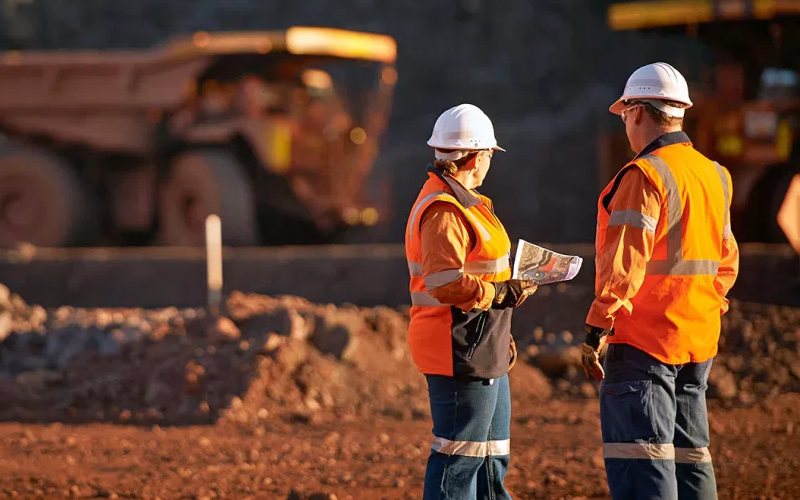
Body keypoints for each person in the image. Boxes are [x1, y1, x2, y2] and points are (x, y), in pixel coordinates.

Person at [581, 62, 740, 499]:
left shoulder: (645, 175)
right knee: (691, 459)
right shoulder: (715, 174)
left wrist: (599, 324)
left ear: (636, 112)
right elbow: (726, 262)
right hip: (697, 340)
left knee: (642, 463)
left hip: (644, 344)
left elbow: (624, 264)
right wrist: (707, 308)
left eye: (625, 116)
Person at [405, 103, 538, 499]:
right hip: (458, 349)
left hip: (482, 344)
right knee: (458, 462)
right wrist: (499, 293)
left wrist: (505, 299)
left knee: (491, 459)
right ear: (479, 157)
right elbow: (445, 281)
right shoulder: (444, 209)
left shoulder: (467, 202)